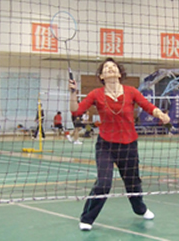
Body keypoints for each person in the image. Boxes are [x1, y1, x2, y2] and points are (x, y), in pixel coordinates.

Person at [69, 57, 170, 231]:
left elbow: (147, 106)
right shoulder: (95, 94)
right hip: (106, 146)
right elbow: (76, 110)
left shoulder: (131, 91)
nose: (110, 68)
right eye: (106, 67)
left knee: (133, 183)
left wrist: (161, 114)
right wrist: (73, 93)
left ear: (119, 73)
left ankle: (140, 209)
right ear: (101, 76)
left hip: (129, 145)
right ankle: (87, 219)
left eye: (113, 66)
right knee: (103, 183)